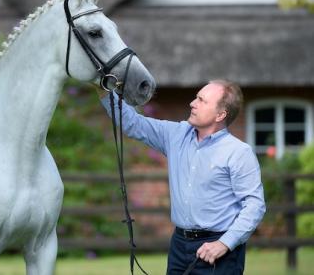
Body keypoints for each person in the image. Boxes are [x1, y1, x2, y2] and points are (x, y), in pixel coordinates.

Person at [98, 79, 266, 274]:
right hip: (179, 245)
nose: (192, 103)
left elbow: (254, 206)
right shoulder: (176, 134)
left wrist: (224, 244)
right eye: (196, 97)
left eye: (202, 101)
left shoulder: (239, 152)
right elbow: (132, 123)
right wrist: (103, 89)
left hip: (219, 251)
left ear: (221, 114)